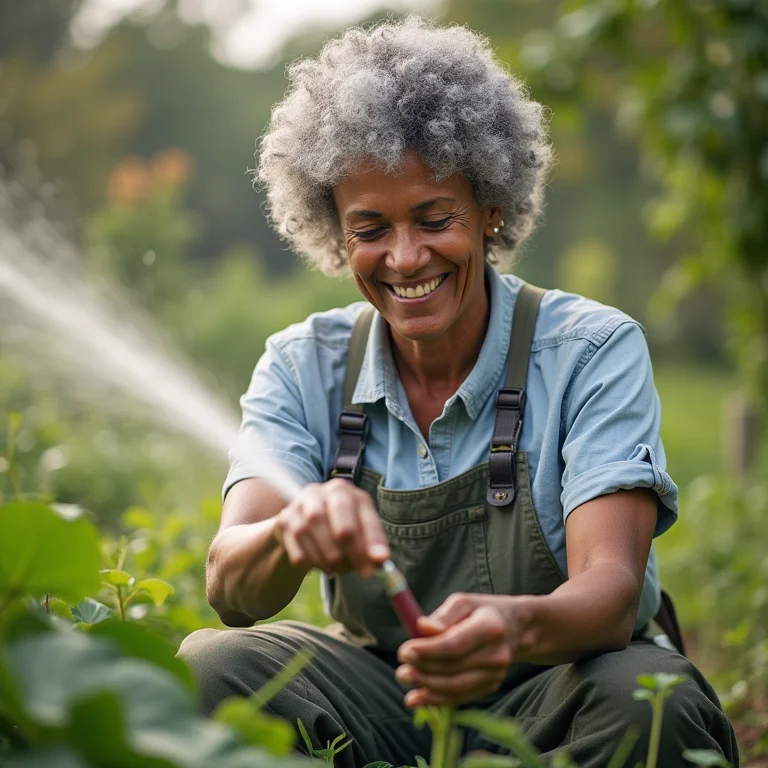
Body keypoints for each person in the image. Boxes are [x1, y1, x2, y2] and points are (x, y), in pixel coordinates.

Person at [179, 17, 738, 767]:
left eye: (434, 218)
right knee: (210, 669)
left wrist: (513, 627)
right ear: (334, 233)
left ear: (490, 210)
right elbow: (231, 587)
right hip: (384, 694)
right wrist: (290, 532)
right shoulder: (301, 364)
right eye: (370, 228)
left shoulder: (590, 350)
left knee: (647, 699)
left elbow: (609, 590)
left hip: (562, 687)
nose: (405, 257)